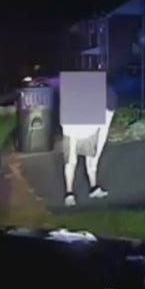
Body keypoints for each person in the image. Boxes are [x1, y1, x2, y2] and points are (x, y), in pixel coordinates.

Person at [46, 76, 117, 206]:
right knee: (72, 161)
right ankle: (70, 193)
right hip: (74, 128)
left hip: (87, 129)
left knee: (82, 159)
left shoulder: (106, 98)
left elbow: (103, 130)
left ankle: (92, 187)